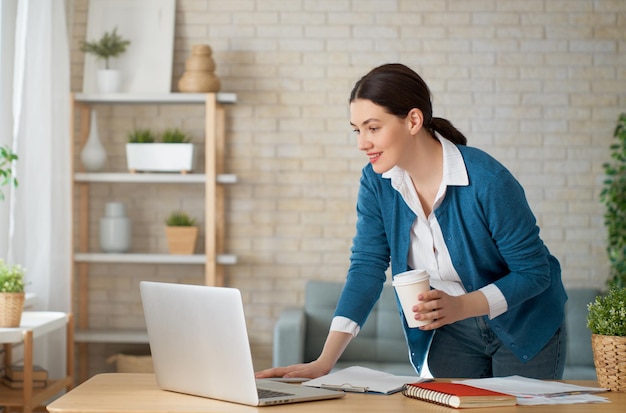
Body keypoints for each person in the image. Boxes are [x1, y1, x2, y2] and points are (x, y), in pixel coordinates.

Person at [256, 63, 567, 380]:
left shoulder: (488, 182)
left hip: (524, 321)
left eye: (373, 128)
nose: (361, 143)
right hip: (453, 329)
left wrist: (460, 306)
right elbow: (367, 266)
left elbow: (534, 272)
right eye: (357, 129)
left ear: (413, 121)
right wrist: (324, 362)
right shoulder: (377, 183)